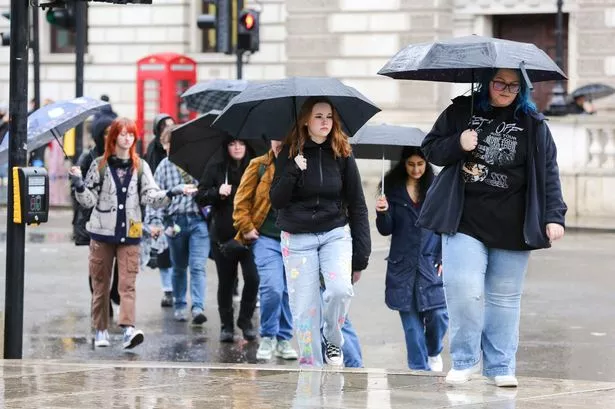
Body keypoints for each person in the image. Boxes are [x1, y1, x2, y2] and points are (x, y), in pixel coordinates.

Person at [418, 68, 567, 387]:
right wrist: (458, 142)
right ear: (486, 83)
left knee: (504, 300)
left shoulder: (534, 125)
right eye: (499, 83)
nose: (505, 89)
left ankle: (500, 367)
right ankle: (464, 360)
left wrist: (554, 216)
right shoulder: (462, 111)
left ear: (522, 89)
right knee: (463, 289)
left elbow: (548, 174)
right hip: (464, 219)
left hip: (512, 225)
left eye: (514, 85)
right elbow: (431, 149)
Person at [69, 117, 196, 349]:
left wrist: (173, 192)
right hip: (101, 234)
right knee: (100, 284)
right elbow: (88, 201)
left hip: (130, 234)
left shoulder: (141, 166)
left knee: (127, 285)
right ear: (114, 137)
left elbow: (151, 197)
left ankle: (128, 329)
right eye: (123, 134)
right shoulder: (99, 165)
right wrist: (79, 184)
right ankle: (100, 329)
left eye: (131, 134)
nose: (127, 138)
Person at [270, 97, 371, 367]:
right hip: (297, 237)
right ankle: (310, 373)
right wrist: (292, 170)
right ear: (305, 120)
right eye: (318, 116)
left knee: (340, 290)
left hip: (334, 233)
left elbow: (358, 204)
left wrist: (361, 256)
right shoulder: (289, 153)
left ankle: (332, 339)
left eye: (329, 116)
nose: (325, 122)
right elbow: (276, 202)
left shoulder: (342, 152)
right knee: (304, 312)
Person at [375, 146, 449, 371]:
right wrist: (383, 212)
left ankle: (433, 350)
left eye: (420, 164)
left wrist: (443, 256)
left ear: (426, 164)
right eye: (411, 164)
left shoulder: (438, 188)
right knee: (411, 324)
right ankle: (418, 369)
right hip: (402, 264)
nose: (416, 169)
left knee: (438, 313)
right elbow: (386, 230)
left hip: (430, 260)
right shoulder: (391, 191)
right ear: (403, 164)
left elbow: (446, 225)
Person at [233, 139, 298, 360]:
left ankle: (283, 338)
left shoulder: (301, 163)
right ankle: (269, 335)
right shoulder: (258, 165)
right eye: (276, 138)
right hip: (265, 238)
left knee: (290, 291)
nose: (280, 143)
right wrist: (247, 227)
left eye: (285, 138)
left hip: (295, 239)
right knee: (272, 287)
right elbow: (241, 201)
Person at [196, 137, 260, 343]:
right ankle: (227, 325)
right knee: (226, 281)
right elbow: (200, 197)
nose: (237, 147)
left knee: (253, 278)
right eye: (232, 144)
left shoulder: (255, 167)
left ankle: (245, 320)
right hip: (223, 235)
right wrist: (217, 192)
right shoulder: (216, 168)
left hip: (249, 234)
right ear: (226, 147)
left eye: (241, 143)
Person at [146, 125, 209, 325]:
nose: (171, 148)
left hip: (198, 220)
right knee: (179, 267)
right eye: (167, 144)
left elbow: (210, 187)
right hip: (175, 221)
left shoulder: (197, 163)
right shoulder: (163, 167)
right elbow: (154, 197)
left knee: (198, 266)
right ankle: (180, 304)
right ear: (163, 145)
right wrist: (155, 223)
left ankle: (198, 307)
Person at [72, 116, 121, 318]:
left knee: (122, 262)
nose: (110, 136)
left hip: (119, 219)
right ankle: (103, 304)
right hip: (95, 221)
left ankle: (115, 292)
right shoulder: (88, 157)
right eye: (106, 132)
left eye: (113, 131)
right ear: (99, 135)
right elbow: (78, 195)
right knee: (98, 268)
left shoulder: (121, 155)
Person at [145, 113, 176, 307]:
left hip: (177, 203)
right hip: (158, 199)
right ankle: (168, 290)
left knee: (180, 255)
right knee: (163, 252)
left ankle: (177, 290)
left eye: (172, 125)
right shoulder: (153, 149)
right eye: (165, 126)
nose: (169, 129)